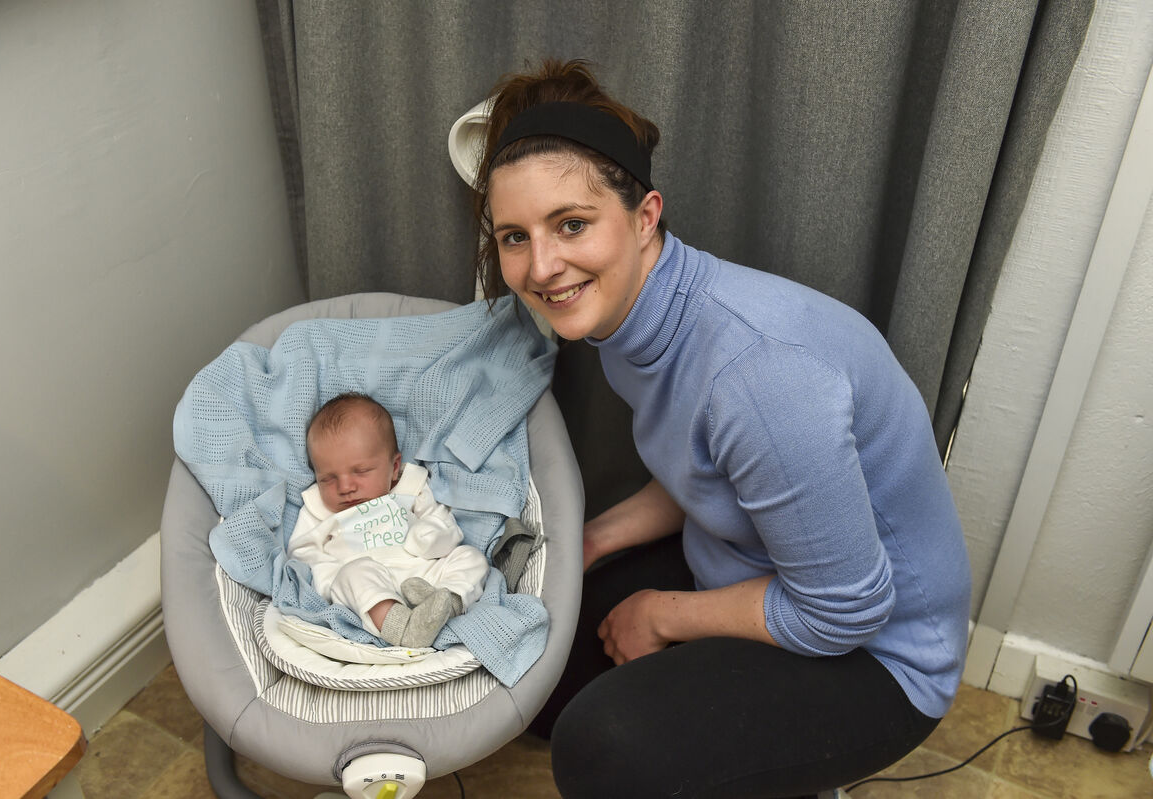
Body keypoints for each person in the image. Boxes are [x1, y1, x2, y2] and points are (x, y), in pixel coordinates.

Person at [470, 59, 972, 799]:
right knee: (540, 667)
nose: (542, 266)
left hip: (879, 653)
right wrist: (595, 540)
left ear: (644, 217)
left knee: (602, 747)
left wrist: (663, 615)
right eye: (515, 236)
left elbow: (846, 610)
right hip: (753, 568)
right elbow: (705, 467)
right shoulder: (629, 318)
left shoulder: (758, 373)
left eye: (571, 224)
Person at [288, 392, 490, 648]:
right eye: (328, 478)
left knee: (471, 558)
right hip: (369, 589)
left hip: (424, 575)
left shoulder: (411, 487)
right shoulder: (319, 509)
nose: (346, 486)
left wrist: (430, 536)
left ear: (394, 468)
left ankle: (444, 605)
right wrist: (331, 579)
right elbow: (303, 552)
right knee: (352, 574)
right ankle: (402, 629)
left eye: (360, 471)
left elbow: (444, 523)